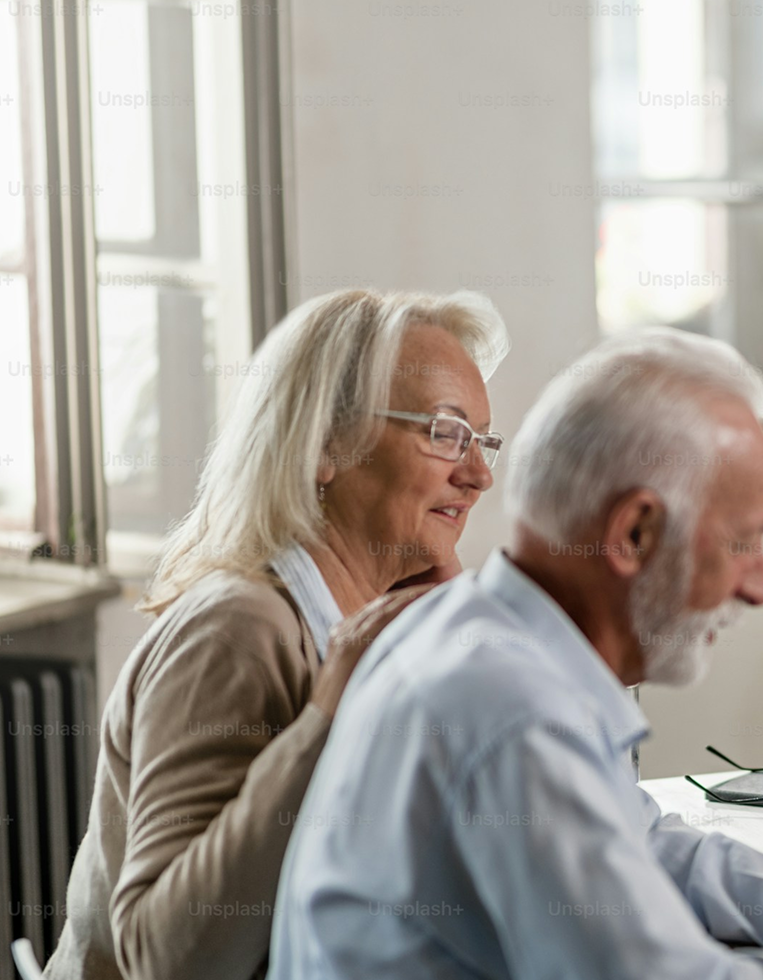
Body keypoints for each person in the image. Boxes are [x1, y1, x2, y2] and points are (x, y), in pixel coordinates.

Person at [268, 329, 763, 980]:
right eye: (743, 543)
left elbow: (645, 842)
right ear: (633, 533)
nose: (759, 587)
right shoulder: (510, 709)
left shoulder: (482, 635)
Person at [44, 289, 510, 980]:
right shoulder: (237, 629)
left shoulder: (367, 615)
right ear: (325, 443)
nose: (478, 475)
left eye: (482, 441)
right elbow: (166, 961)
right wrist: (334, 718)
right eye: (445, 433)